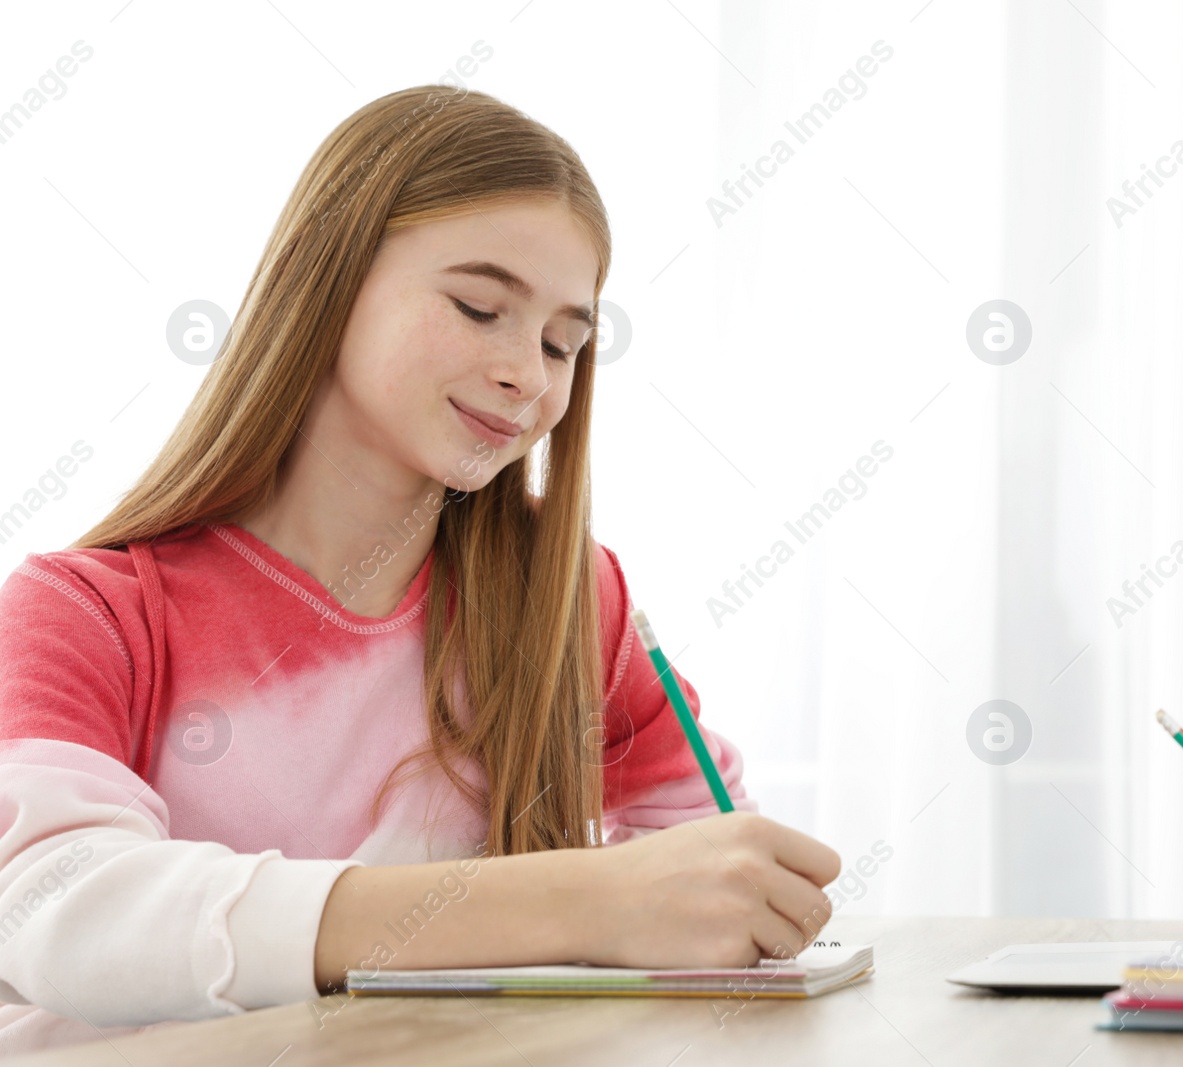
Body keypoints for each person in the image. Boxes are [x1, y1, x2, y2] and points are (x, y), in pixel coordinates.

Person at [0, 85, 841, 1054]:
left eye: (564, 342)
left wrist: (720, 898)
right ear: (327, 277)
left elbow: (704, 873)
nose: (528, 372)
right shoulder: (89, 612)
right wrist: (571, 898)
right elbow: (52, 906)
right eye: (481, 307)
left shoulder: (572, 603)